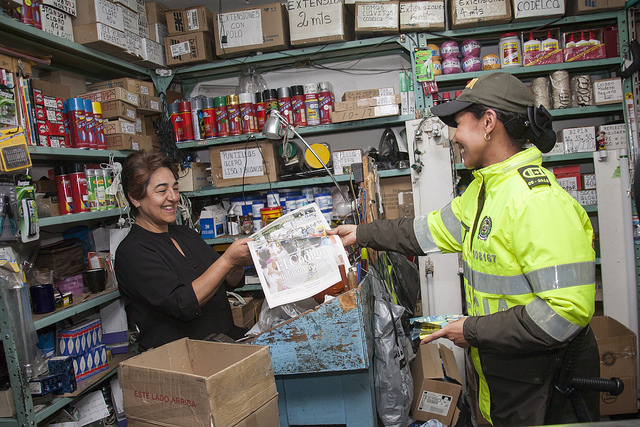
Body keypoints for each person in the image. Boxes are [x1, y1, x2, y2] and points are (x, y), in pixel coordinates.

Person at [328, 72, 599, 426]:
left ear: (488, 122)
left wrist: (471, 330)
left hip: (545, 384)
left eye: (459, 123)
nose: (454, 136)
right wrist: (361, 233)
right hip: (504, 374)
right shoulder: (485, 192)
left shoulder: (536, 202)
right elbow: (423, 232)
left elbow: (564, 314)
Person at [115, 151, 253, 351]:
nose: (173, 197)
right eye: (162, 191)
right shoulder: (132, 253)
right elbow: (183, 303)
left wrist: (239, 262)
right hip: (181, 358)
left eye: (175, 188)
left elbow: (228, 281)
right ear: (135, 198)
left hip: (223, 344)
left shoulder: (185, 234)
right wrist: (228, 261)